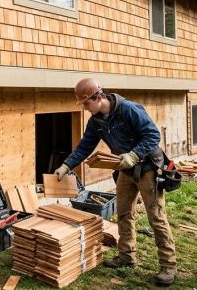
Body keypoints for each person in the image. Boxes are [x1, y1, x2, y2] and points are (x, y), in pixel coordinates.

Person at [53, 78, 177, 286]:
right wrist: (66, 166)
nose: (85, 108)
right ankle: (127, 256)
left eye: (86, 104)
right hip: (125, 169)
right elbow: (85, 146)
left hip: (147, 167)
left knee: (156, 217)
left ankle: (168, 265)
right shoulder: (96, 122)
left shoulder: (128, 109)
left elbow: (153, 135)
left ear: (98, 97)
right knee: (124, 212)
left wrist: (134, 155)